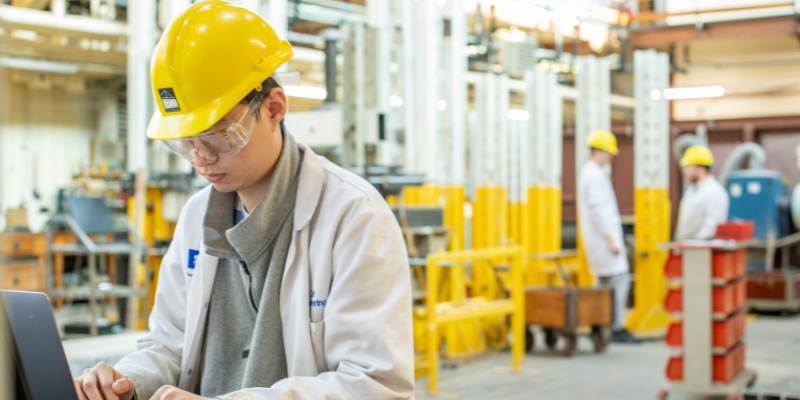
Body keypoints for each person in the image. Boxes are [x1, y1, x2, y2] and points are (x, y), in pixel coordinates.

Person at [73, 2, 413, 400]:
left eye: (219, 136)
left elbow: (374, 384)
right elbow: (167, 345)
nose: (202, 158)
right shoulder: (197, 215)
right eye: (186, 143)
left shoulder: (353, 216)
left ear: (273, 108)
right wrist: (125, 381)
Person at [577, 130, 641, 344]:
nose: (612, 158)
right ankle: (615, 326)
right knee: (620, 280)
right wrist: (611, 240)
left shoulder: (590, 173)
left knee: (603, 283)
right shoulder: (593, 175)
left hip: (600, 240)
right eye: (609, 153)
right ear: (600, 151)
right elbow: (597, 210)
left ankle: (597, 322)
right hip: (604, 241)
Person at [675, 145, 729, 241]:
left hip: (701, 252)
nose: (684, 171)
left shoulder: (715, 192)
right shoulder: (692, 190)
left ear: (701, 168)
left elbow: (710, 229)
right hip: (686, 248)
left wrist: (693, 245)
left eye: (688, 167)